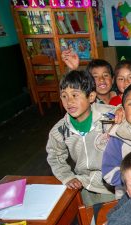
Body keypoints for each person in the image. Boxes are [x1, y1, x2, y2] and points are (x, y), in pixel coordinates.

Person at [46, 70, 115, 206]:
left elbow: (124, 111)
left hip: (114, 187)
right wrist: (67, 177)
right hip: (84, 187)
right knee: (89, 223)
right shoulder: (60, 130)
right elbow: (55, 155)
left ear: (91, 97)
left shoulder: (109, 118)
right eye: (64, 96)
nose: (69, 101)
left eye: (75, 95)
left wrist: (120, 109)